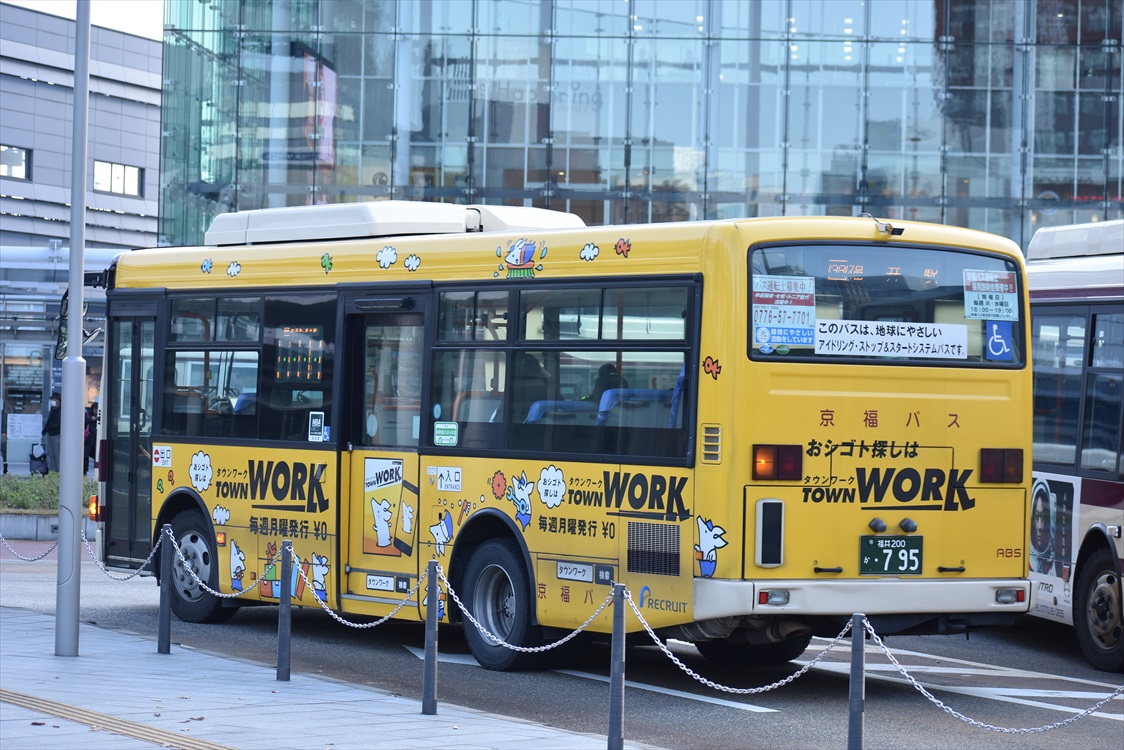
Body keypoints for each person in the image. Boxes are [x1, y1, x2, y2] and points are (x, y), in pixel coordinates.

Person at [42, 391, 61, 473]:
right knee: (51, 454)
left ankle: (59, 471)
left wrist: (50, 427)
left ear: (58, 400)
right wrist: (45, 430)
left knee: (57, 454)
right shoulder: (53, 409)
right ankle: (53, 472)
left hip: (57, 434)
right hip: (50, 434)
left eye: (54, 399)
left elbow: (60, 423)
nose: (53, 401)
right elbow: (49, 421)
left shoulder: (61, 410)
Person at [84, 402, 98, 473]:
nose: (95, 410)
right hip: (89, 438)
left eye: (97, 408)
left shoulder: (100, 416)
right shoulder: (88, 415)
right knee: (85, 454)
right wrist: (91, 419)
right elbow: (84, 421)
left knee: (96, 455)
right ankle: (85, 470)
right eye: (94, 408)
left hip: (96, 440)